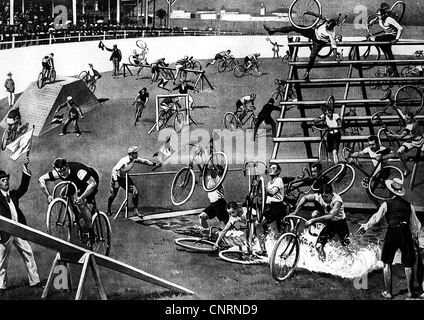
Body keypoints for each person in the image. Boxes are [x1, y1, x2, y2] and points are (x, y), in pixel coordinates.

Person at [357, 178, 421, 299]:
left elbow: (376, 218)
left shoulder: (386, 204)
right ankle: (410, 293)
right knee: (408, 263)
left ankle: (388, 292)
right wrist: (415, 238)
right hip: (405, 232)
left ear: (391, 192)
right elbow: (415, 224)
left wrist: (365, 226)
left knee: (387, 261)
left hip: (393, 231)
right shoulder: (409, 206)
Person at [0, 157, 44, 296]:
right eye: (2, 180)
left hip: (17, 230)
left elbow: (23, 187)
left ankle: (35, 281)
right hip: (4, 232)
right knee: (1, 260)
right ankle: (1, 286)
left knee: (28, 252)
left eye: (6, 179)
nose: (6, 181)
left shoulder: (13, 194)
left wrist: (25, 169)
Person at [38, 158, 99, 245]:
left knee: (81, 204)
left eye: (64, 170)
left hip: (89, 181)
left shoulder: (79, 172)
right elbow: (41, 180)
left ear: (67, 166)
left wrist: (82, 197)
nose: (62, 174)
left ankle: (91, 232)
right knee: (64, 193)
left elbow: (93, 184)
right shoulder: (57, 173)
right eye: (59, 172)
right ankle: (77, 214)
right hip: (75, 181)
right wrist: (48, 195)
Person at [264, 18, 341, 80]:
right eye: (326, 26)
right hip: (313, 32)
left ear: (331, 28)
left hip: (318, 42)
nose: (326, 27)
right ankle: (273, 30)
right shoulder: (326, 23)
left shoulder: (332, 34)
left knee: (312, 58)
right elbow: (321, 21)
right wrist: (322, 19)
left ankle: (307, 73)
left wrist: (335, 57)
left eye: (328, 28)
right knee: (296, 27)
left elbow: (334, 46)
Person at [292, 183, 350, 260]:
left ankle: (351, 262)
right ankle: (324, 263)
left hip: (341, 224)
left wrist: (313, 220)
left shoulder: (337, 200)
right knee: (318, 246)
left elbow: (330, 216)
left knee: (345, 245)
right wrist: (295, 212)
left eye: (326, 196)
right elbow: (305, 198)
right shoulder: (319, 196)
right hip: (331, 225)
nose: (324, 199)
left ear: (331, 194)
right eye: (323, 197)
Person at [107, 146, 158, 217]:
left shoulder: (134, 159)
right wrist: (116, 182)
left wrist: (155, 164)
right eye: (136, 153)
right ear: (131, 154)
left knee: (135, 192)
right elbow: (114, 170)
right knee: (113, 195)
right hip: (116, 178)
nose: (137, 154)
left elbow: (144, 161)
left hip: (125, 178)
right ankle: (108, 208)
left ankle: (135, 211)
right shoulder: (123, 161)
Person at [368, 3, 403, 77]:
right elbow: (375, 19)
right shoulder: (380, 18)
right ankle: (395, 71)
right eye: (377, 15)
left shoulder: (389, 19)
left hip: (392, 36)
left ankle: (392, 69)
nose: (378, 16)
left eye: (379, 15)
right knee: (388, 54)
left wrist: (396, 39)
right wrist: (371, 22)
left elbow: (400, 28)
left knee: (377, 39)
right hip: (386, 36)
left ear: (383, 15)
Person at [386, 112, 424, 177]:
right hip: (411, 141)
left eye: (408, 119)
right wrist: (395, 109)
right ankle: (406, 169)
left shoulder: (410, 126)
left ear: (411, 119)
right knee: (399, 152)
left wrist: (390, 135)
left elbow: (400, 137)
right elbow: (402, 115)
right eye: (406, 119)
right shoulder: (413, 119)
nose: (406, 120)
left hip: (421, 141)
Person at [260, 163, 286, 237]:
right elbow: (266, 194)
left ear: (278, 171)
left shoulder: (279, 180)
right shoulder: (269, 183)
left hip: (278, 207)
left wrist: (262, 187)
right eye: (270, 168)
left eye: (274, 168)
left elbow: (272, 192)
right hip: (270, 206)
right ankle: (267, 239)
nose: (271, 169)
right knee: (262, 223)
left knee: (280, 229)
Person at [198, 165, 228, 230]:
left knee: (225, 223)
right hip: (213, 204)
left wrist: (209, 159)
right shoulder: (211, 179)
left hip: (220, 204)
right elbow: (203, 170)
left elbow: (211, 168)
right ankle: (205, 231)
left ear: (217, 172)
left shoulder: (216, 178)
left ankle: (232, 233)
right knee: (202, 217)